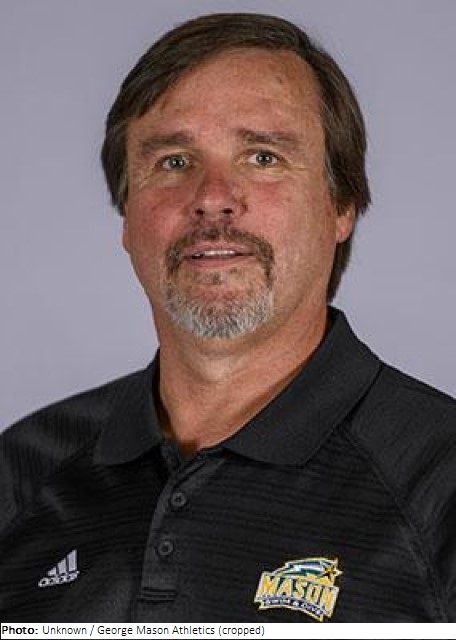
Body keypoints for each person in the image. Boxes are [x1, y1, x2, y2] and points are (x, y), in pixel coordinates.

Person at [0, 12, 455, 624]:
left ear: (341, 204)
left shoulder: (438, 482)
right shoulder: (22, 474)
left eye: (263, 157)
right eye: (173, 162)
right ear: (127, 217)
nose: (212, 197)